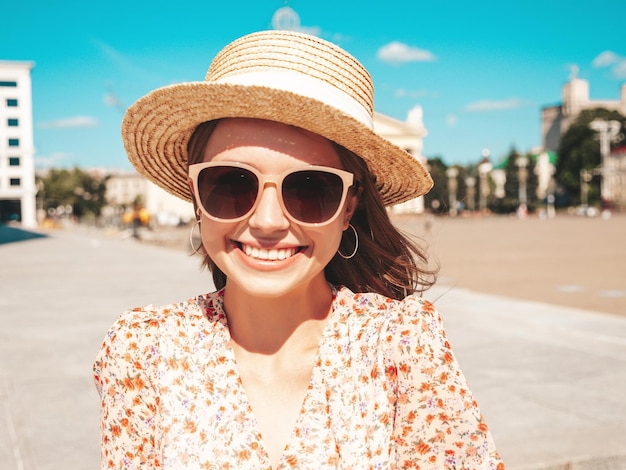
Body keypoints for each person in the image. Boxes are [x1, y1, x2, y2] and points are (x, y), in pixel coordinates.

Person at [94, 30, 504, 469]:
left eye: (312, 189)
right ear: (196, 196)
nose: (268, 221)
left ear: (349, 206)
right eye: (232, 183)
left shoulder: (401, 344)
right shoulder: (143, 348)